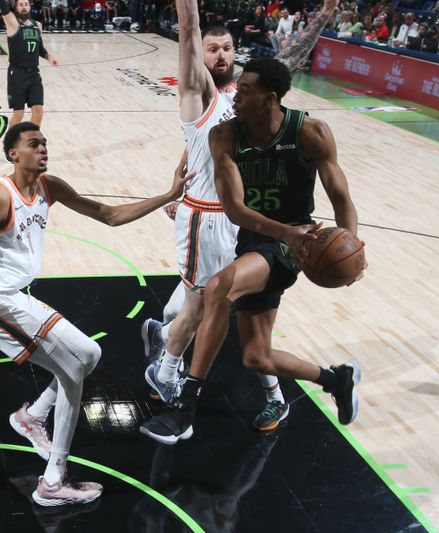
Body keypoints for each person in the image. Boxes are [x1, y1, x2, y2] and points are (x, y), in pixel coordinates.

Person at [0, 122, 190, 504]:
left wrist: (169, 194)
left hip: (14, 298)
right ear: (14, 154)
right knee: (72, 371)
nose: (43, 148)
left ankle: (32, 417)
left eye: (45, 142)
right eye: (34, 144)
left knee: (90, 355)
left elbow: (109, 215)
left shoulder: (50, 187)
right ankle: (52, 482)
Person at [140, 0, 341, 434]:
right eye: (211, 49)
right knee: (215, 308)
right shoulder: (201, 96)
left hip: (252, 224)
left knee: (209, 303)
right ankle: (169, 357)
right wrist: (184, 188)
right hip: (217, 219)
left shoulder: (251, 100)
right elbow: (203, 142)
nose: (220, 56)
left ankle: (169, 365)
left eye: (227, 48)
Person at [0, 0, 59, 126]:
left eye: (26, 4)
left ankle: (32, 140)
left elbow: (39, 48)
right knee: (18, 114)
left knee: (38, 111)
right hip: (17, 74)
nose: (24, 7)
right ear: (16, 8)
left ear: (30, 7)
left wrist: (48, 56)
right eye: (21, 5)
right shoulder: (12, 24)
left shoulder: (37, 25)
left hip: (34, 75)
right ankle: (11, 142)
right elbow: (4, 10)